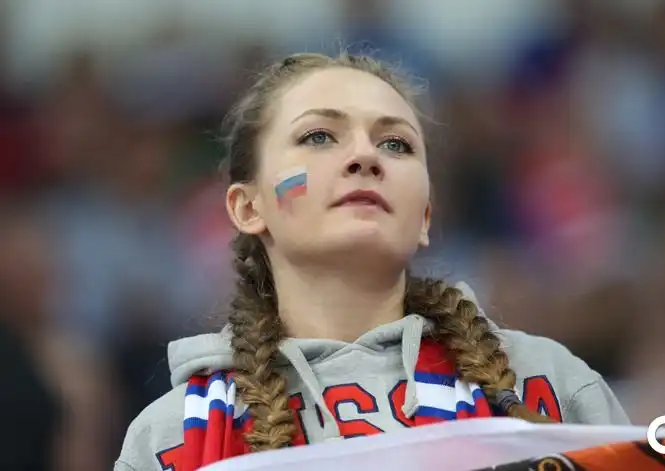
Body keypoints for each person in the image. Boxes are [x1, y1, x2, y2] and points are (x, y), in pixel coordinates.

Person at [114, 52, 629, 471]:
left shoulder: (552, 383)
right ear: (249, 207)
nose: (366, 157)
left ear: (424, 216)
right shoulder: (169, 437)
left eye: (396, 144)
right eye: (319, 136)